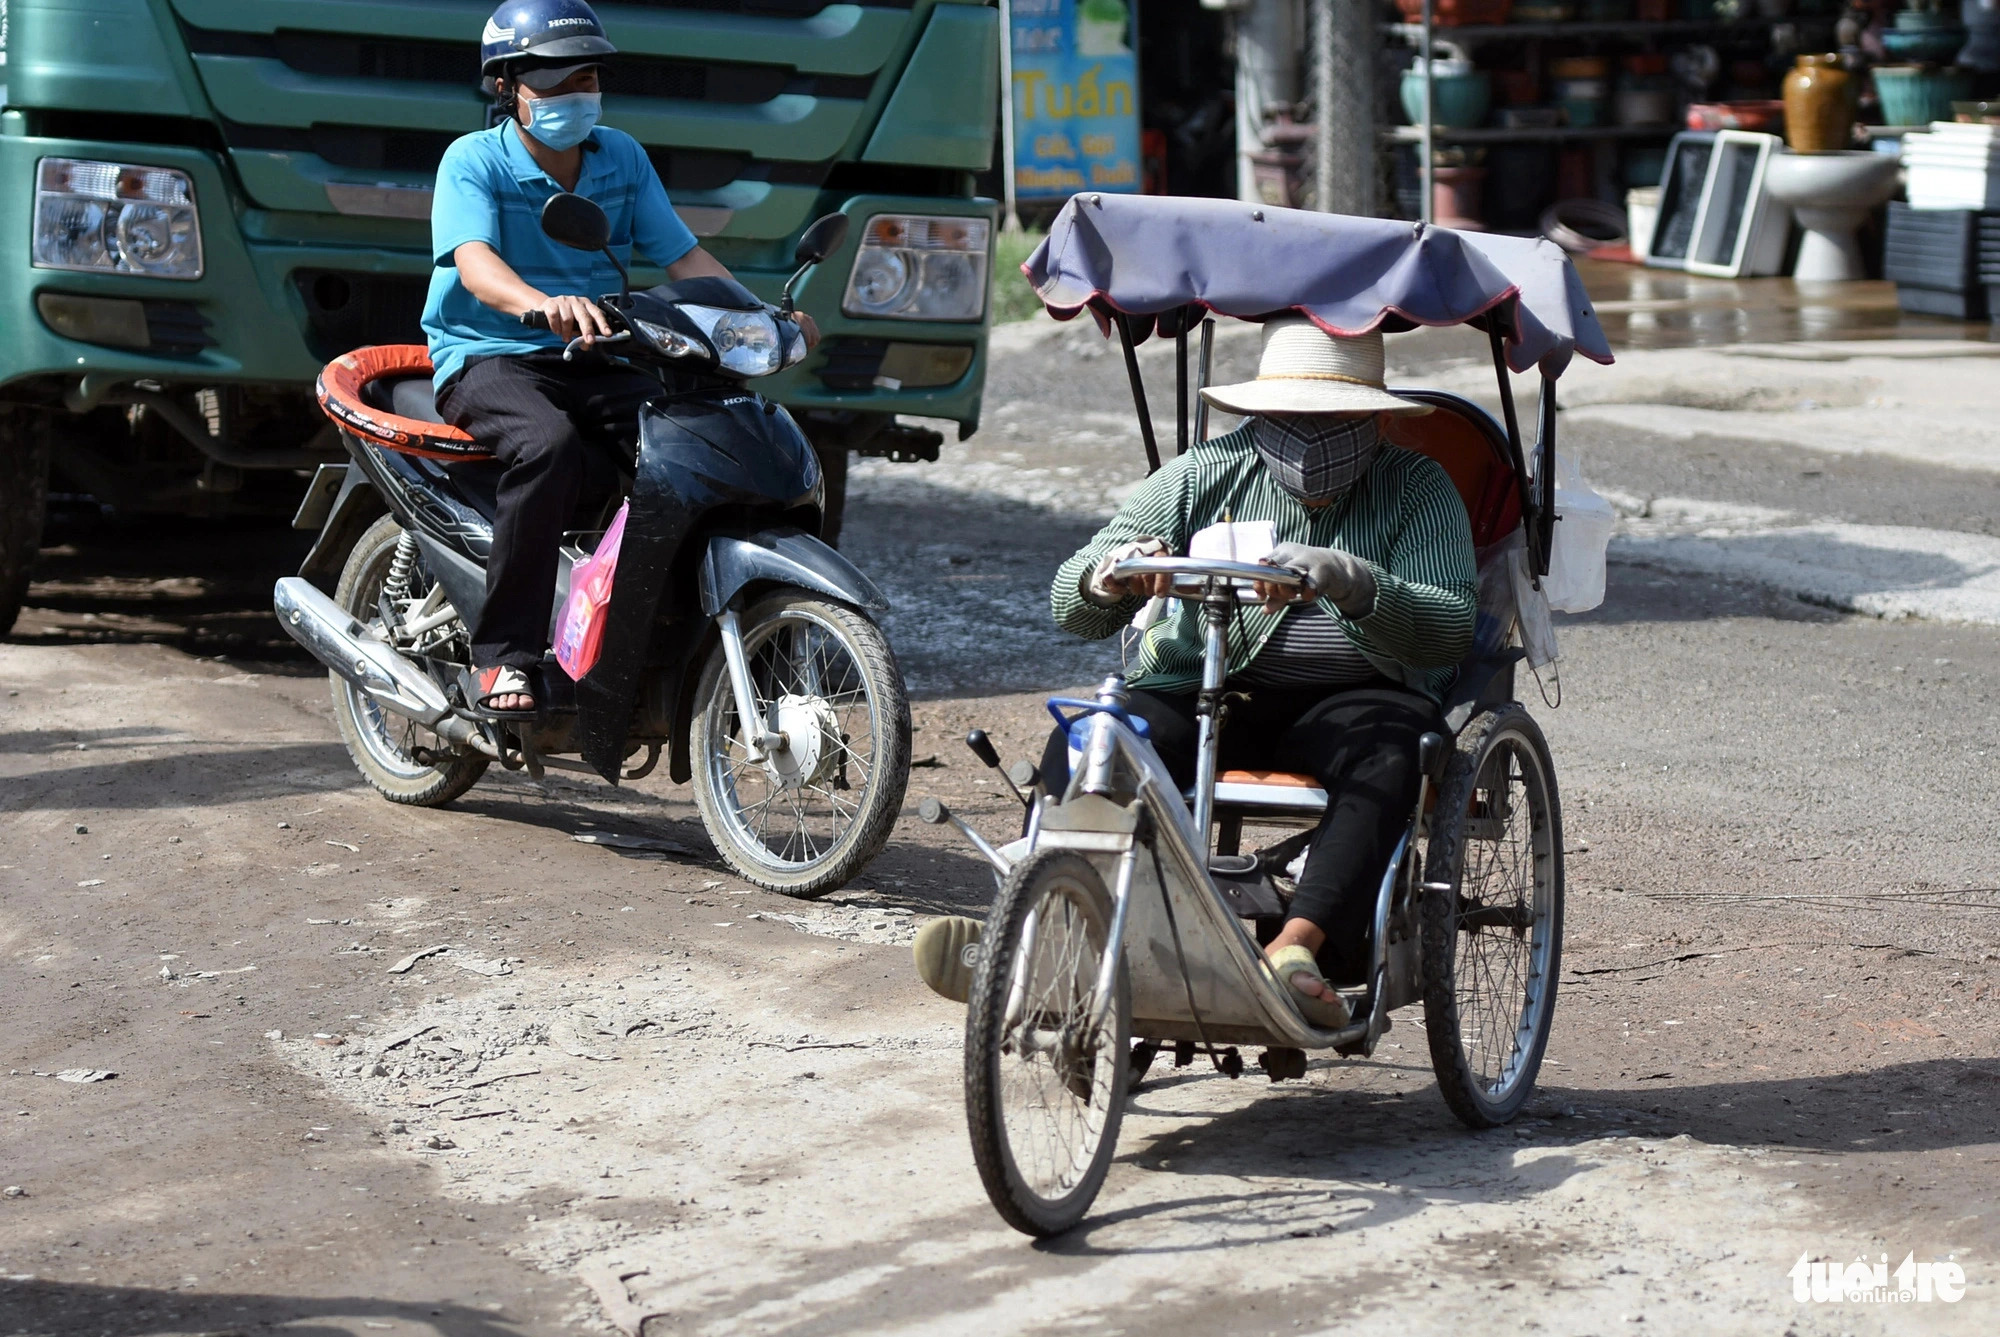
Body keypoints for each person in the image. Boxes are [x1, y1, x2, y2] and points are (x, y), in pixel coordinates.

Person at [912, 318, 1476, 1027]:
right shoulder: (1202, 474)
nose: (1310, 437)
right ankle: (1045, 931)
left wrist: (1355, 581)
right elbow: (1069, 599)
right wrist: (1110, 577)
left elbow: (1451, 626)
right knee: (1092, 741)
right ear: (1260, 413)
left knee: (1396, 751)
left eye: (1332, 418)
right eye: (1291, 417)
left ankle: (1295, 951)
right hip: (1201, 689)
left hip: (1354, 699)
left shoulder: (1416, 488)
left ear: (1371, 417)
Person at [421, 0, 816, 716]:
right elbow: (475, 265)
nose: (576, 93)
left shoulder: (621, 157)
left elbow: (681, 256)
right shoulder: (472, 161)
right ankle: (502, 655)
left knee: (696, 445)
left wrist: (758, 318)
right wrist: (539, 303)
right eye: (553, 80)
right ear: (508, 87)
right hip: (491, 355)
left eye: (588, 77)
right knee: (549, 446)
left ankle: (642, 635)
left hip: (596, 354)